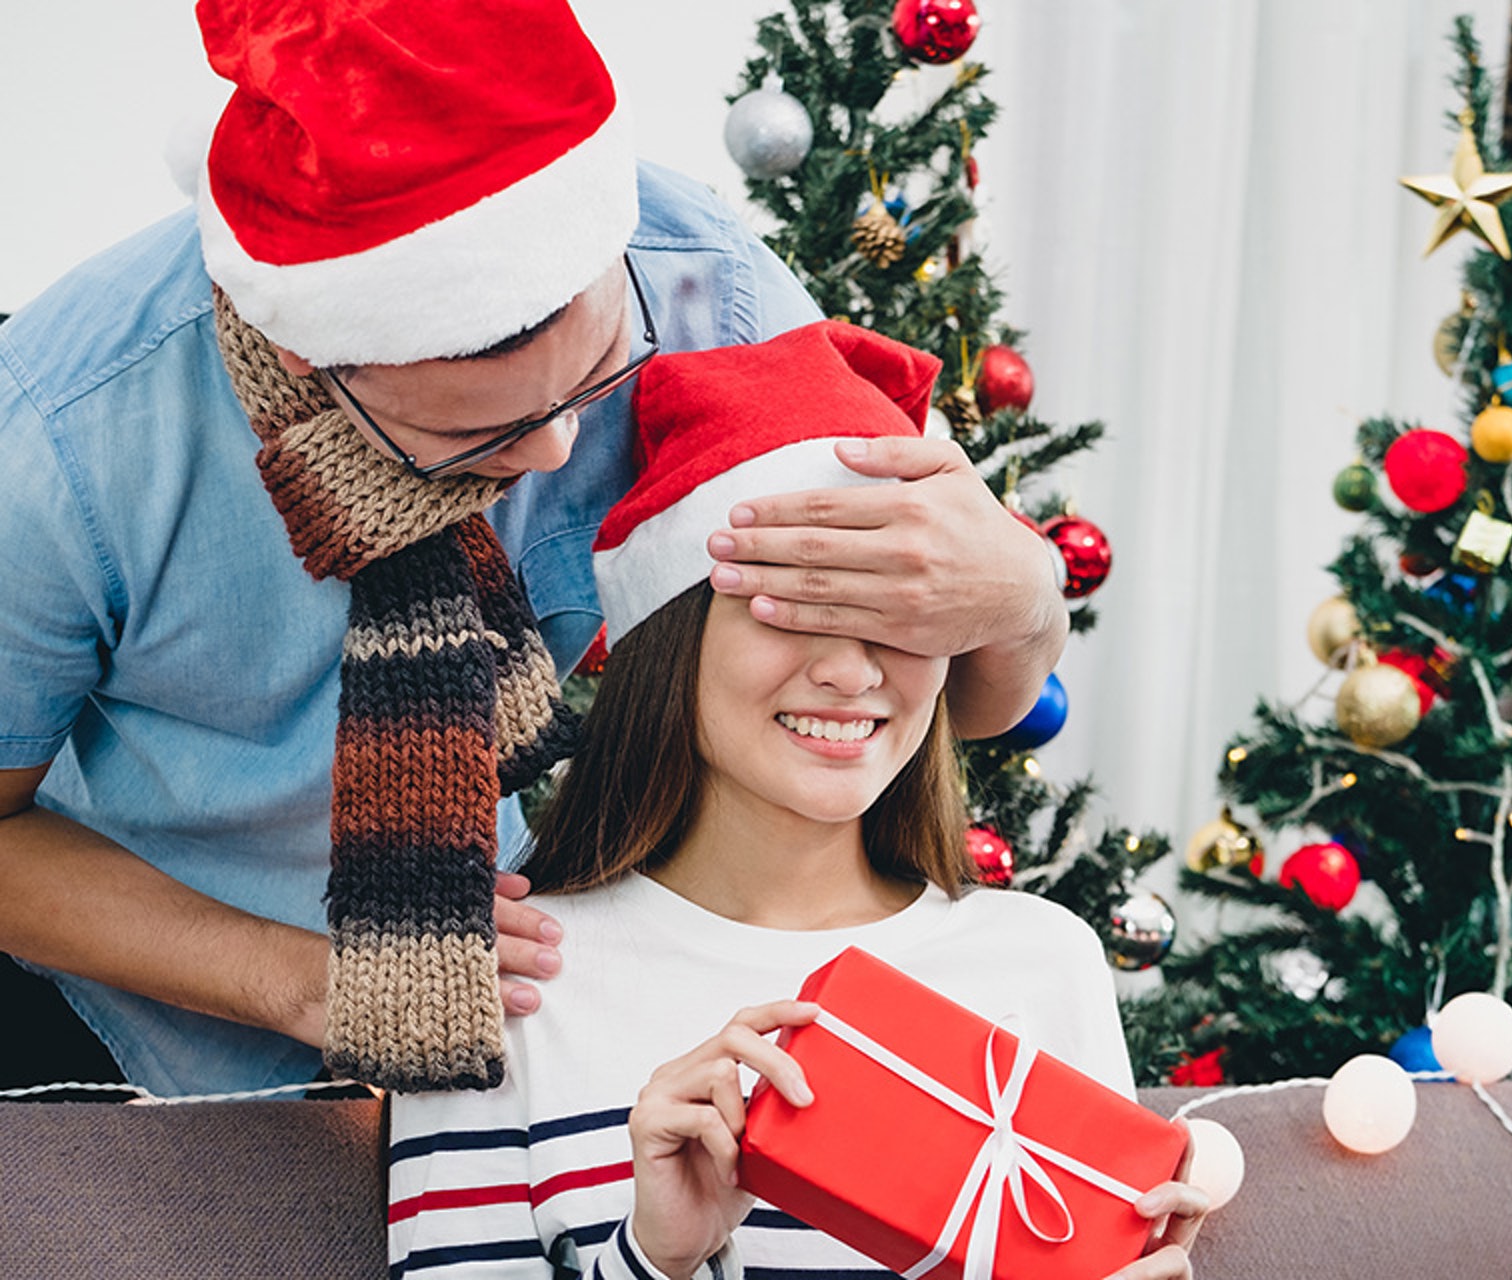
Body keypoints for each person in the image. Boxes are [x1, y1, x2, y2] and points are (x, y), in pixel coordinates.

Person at [0, 0, 1065, 1097]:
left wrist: (1025, 596)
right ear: (306, 349)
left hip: (500, 1006)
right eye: (482, 432)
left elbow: (950, 702)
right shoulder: (63, 433)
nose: (561, 445)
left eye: (598, 366)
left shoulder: (703, 288)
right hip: (111, 1036)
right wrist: (302, 980)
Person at [386, 320, 1206, 1280]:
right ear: (670, 638)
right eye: (792, 606)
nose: (854, 672)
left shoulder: (1042, 961)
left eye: (898, 618)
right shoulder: (507, 988)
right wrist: (656, 1259)